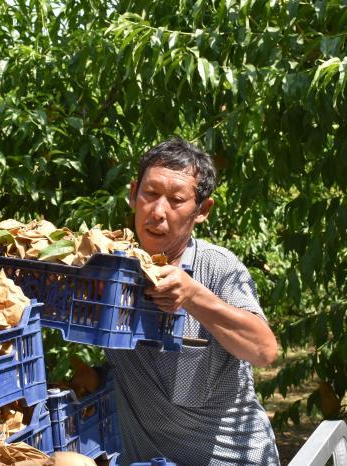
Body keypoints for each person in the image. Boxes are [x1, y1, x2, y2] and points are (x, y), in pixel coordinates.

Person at [106, 137, 280, 465]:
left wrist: (193, 294)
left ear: (202, 210)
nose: (158, 212)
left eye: (176, 200)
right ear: (133, 194)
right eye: (150, 194)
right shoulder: (111, 267)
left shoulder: (218, 267)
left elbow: (264, 351)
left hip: (230, 458)